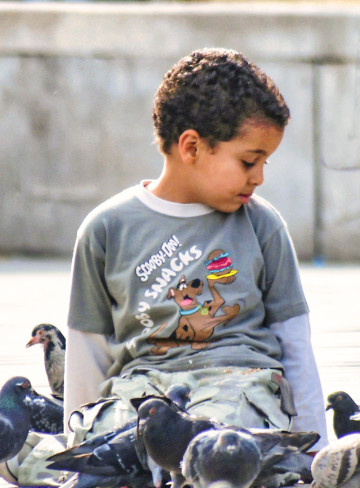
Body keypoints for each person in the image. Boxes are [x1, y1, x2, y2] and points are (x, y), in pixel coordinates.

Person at [63, 47, 328, 453]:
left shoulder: (262, 225)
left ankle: (210, 458)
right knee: (116, 437)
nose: (257, 177)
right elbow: (88, 350)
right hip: (144, 388)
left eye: (264, 164)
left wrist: (312, 451)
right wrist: (78, 446)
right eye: (248, 161)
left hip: (238, 382)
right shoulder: (106, 228)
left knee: (221, 437)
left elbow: (294, 343)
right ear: (191, 147)